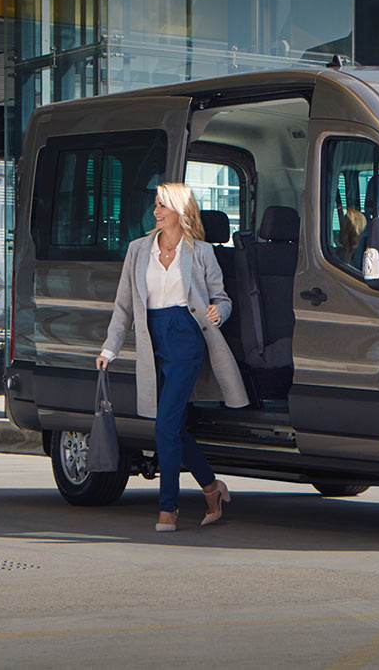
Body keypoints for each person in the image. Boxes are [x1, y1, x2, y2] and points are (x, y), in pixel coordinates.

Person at [96, 182, 249, 532]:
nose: (156, 211)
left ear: (180, 210)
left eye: (163, 205)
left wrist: (217, 312)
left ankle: (169, 508)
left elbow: (222, 299)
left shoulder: (201, 252)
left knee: (164, 425)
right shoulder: (138, 250)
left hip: (185, 338)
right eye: (156, 205)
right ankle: (212, 488)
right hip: (151, 339)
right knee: (174, 428)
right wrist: (109, 349)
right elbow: (124, 307)